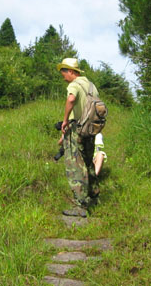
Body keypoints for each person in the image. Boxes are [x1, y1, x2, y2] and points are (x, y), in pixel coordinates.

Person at [56, 57, 100, 218]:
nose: (63, 76)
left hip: (78, 129)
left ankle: (81, 205)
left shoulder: (74, 85)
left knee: (75, 166)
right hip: (91, 129)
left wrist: (66, 120)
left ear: (72, 72)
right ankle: (94, 195)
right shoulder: (91, 85)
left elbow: (71, 99)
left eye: (64, 72)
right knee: (88, 162)